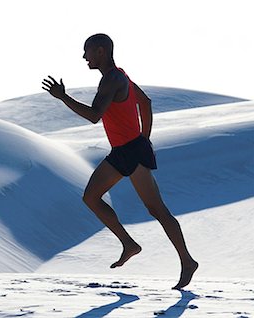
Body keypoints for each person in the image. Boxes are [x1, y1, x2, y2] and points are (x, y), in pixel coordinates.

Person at [42, 33, 198, 290]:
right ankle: (129, 244)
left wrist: (63, 97)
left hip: (131, 152)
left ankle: (187, 261)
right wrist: (144, 138)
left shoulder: (112, 80)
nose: (84, 57)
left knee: (157, 210)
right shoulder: (120, 76)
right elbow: (145, 103)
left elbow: (94, 116)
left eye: (87, 52)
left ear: (101, 51)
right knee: (91, 197)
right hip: (124, 151)